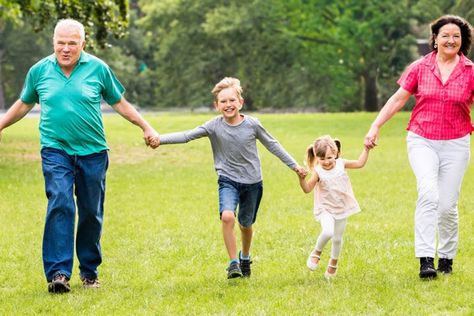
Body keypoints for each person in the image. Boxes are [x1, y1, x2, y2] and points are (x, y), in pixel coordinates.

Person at [0, 19, 159, 293]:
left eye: (72, 43)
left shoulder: (98, 68)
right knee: (60, 202)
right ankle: (58, 273)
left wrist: (146, 126)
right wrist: (1, 124)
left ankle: (89, 271)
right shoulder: (39, 70)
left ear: (82, 44)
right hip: (55, 149)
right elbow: (25, 102)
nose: (65, 48)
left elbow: (119, 102)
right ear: (53, 43)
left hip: (93, 152)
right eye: (60, 42)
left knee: (90, 213)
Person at [151, 77, 306, 279]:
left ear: (240, 102)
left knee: (245, 225)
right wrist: (159, 139)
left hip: (252, 183)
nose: (228, 104)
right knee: (227, 217)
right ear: (217, 106)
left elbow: (273, 145)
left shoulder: (252, 125)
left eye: (232, 100)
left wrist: (294, 166)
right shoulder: (213, 126)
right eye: (223, 101)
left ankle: (245, 257)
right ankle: (233, 263)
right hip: (228, 180)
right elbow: (187, 135)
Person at [364, 15, 473, 279]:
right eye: (445, 35)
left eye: (456, 36)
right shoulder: (420, 67)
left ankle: (446, 258)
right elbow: (398, 99)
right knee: (428, 194)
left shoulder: (470, 71)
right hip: (422, 139)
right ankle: (426, 260)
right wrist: (375, 125)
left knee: (447, 205)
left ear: (463, 41)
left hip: (456, 143)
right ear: (434, 39)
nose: (450, 40)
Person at [298, 135, 369, 279]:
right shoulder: (318, 171)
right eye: (322, 159)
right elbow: (307, 189)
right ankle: (316, 253)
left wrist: (367, 149)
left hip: (342, 207)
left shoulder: (342, 163)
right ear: (317, 157)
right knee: (328, 232)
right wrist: (301, 178)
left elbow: (360, 163)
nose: (326, 162)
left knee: (337, 238)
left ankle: (333, 263)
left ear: (336, 153)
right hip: (325, 209)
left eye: (329, 157)